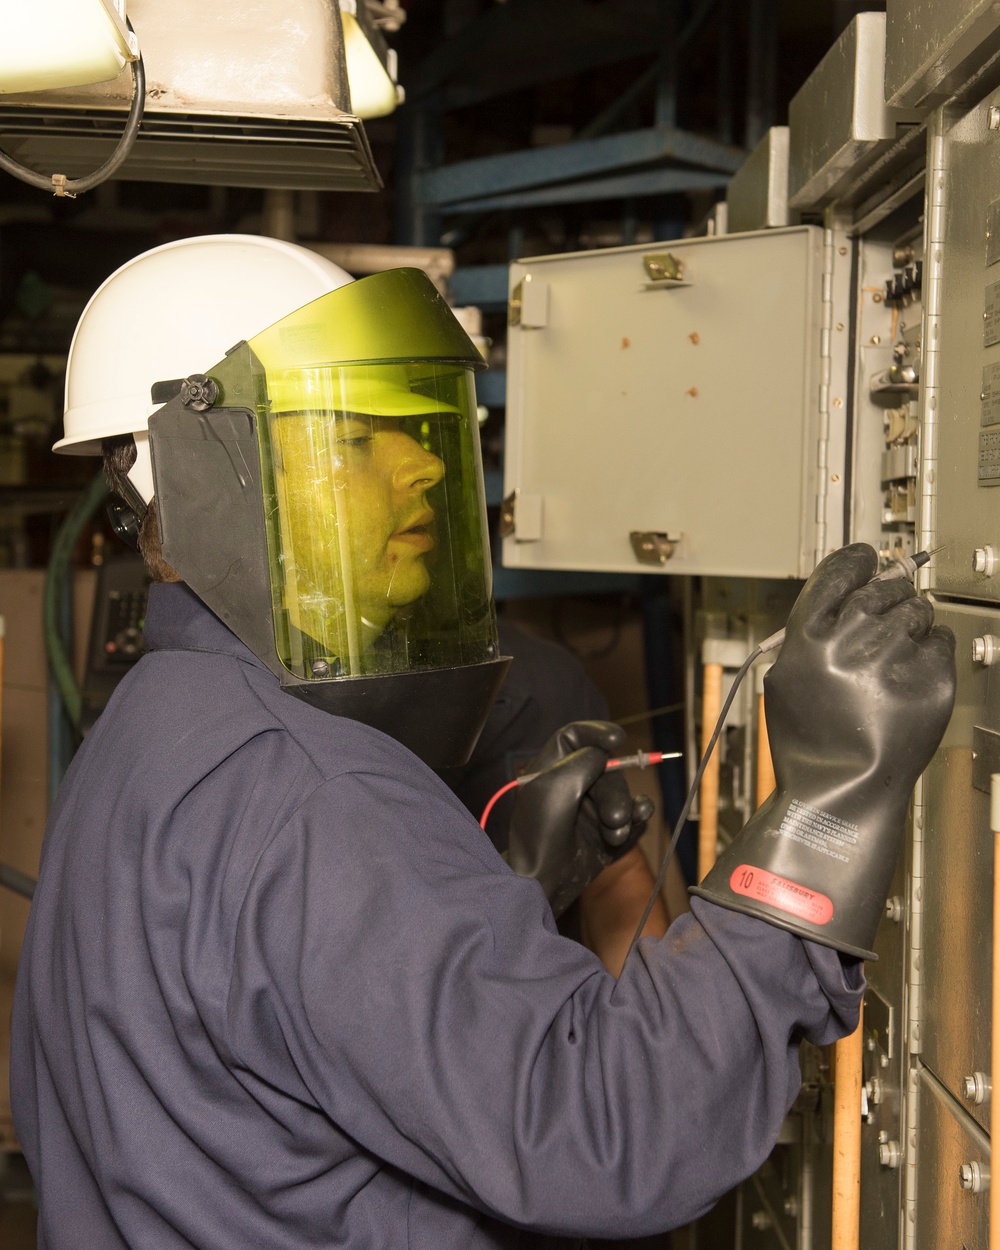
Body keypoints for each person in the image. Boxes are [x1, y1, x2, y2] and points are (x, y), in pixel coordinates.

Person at [11, 235, 956, 1250]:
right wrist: (822, 806)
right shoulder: (314, 793)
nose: (421, 459)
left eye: (410, 426)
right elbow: (614, 1128)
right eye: (352, 433)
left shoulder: (156, 726)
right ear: (205, 465)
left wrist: (474, 898)